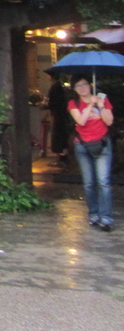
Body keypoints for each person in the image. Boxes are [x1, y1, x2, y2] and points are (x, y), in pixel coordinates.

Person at [67, 74, 114, 232]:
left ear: (90, 85)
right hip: (83, 146)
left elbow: (109, 121)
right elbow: (80, 121)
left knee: (104, 181)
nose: (82, 88)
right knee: (89, 183)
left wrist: (100, 105)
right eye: (78, 86)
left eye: (84, 84)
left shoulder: (102, 99)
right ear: (74, 89)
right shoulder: (73, 103)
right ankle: (93, 214)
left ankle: (106, 217)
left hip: (102, 144)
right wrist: (89, 105)